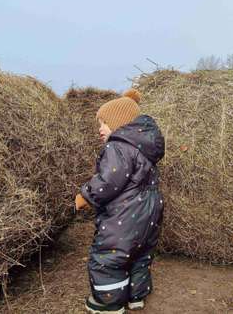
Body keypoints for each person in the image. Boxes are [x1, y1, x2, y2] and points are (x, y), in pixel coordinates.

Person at [75, 88, 165, 313]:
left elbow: (109, 180)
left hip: (126, 215)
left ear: (119, 123)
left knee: (108, 255)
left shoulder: (118, 146)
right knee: (140, 254)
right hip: (150, 212)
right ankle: (136, 296)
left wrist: (86, 195)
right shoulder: (144, 147)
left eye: (104, 123)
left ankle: (109, 303)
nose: (100, 129)